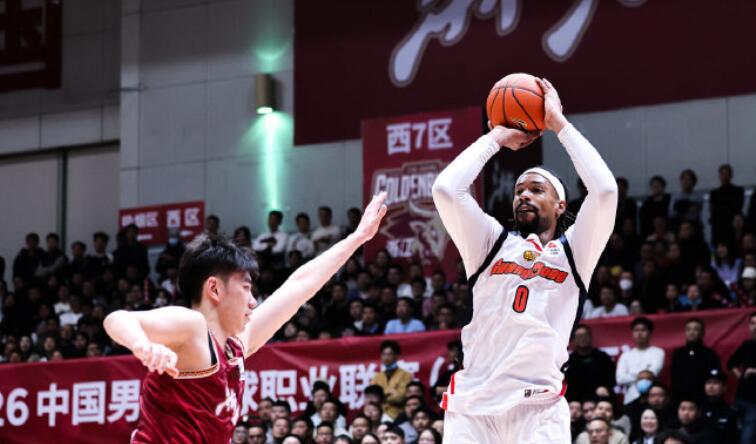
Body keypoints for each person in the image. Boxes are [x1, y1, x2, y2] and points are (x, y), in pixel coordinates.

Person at [103, 193, 387, 443]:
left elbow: (299, 286)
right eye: (246, 288)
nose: (253, 301)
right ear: (215, 289)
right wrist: (142, 344)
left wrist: (357, 238)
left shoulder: (236, 345)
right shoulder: (192, 326)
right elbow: (117, 319)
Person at [432, 78, 617, 443]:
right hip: (472, 407)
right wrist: (496, 138)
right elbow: (446, 189)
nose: (524, 196)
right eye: (519, 191)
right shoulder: (490, 243)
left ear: (560, 205)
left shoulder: (574, 252)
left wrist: (559, 125)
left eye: (536, 189)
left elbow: (606, 190)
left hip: (538, 406)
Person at [670, 318, 721, 402]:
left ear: (702, 333)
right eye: (688, 329)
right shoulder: (678, 353)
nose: (691, 332)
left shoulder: (710, 354)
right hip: (681, 399)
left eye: (696, 329)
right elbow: (674, 378)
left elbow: (714, 377)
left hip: (703, 399)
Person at [616, 317, 665, 405]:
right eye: (636, 330)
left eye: (643, 330)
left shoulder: (658, 352)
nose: (639, 333)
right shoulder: (625, 355)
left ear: (650, 333)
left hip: (652, 400)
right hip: (630, 399)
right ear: (632, 334)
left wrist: (631, 375)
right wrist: (640, 375)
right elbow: (620, 379)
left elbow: (650, 374)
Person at [565, 324, 616, 402]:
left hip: (600, 396)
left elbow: (612, 378)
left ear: (591, 337)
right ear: (574, 340)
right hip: (577, 399)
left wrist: (606, 388)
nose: (583, 338)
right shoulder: (569, 361)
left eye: (585, 335)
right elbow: (567, 384)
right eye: (579, 336)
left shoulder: (602, 357)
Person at [727, 311, 756, 444]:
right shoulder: (747, 345)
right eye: (752, 323)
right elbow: (731, 363)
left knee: (747, 438)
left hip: (754, 402)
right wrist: (739, 375)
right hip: (741, 397)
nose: (755, 327)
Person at [699, 368, 738, 443]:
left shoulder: (730, 413)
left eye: (715, 383)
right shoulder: (698, 409)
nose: (711, 386)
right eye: (708, 382)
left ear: (724, 388)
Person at [709, 164, 744, 245]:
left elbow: (737, 207)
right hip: (718, 227)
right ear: (719, 176)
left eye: (727, 173)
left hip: (733, 226)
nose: (724, 176)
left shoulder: (738, 191)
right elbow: (713, 211)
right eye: (722, 174)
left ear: (731, 175)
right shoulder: (714, 193)